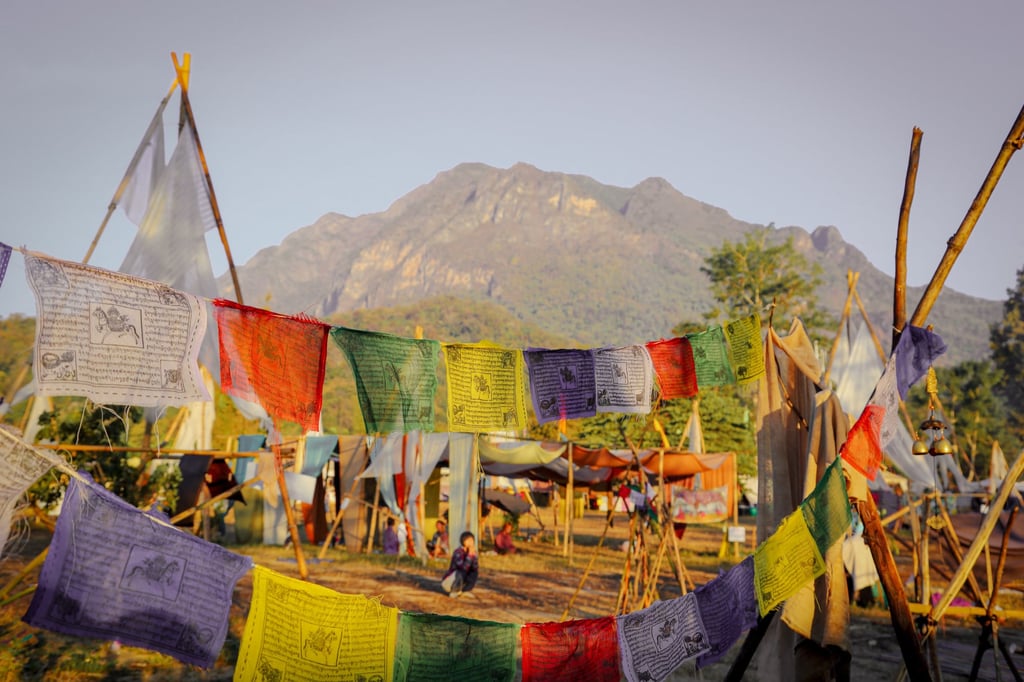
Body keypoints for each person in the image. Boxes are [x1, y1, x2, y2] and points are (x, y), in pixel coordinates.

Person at [442, 531, 478, 597]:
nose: (470, 542)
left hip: (460, 579)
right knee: (461, 571)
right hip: (450, 581)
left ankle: (464, 590)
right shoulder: (458, 552)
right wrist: (469, 555)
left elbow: (475, 567)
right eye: (468, 540)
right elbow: (463, 567)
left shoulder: (472, 551)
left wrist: (474, 556)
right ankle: (454, 591)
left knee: (474, 572)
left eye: (472, 540)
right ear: (463, 541)